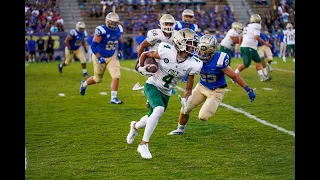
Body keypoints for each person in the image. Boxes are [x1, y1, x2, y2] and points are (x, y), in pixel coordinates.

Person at [126, 28, 203, 159]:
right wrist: (141, 67)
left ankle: (134, 126)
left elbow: (188, 88)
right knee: (159, 109)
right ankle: (143, 144)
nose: (194, 47)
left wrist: (186, 98)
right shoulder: (166, 50)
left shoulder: (194, 63)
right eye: (191, 43)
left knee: (153, 115)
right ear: (180, 43)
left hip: (166, 92)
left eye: (194, 44)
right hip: (152, 85)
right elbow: (145, 55)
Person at [168, 34, 256, 135]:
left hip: (216, 91)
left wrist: (248, 89)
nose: (202, 53)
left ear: (212, 50)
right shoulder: (195, 57)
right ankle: (180, 129)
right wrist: (187, 85)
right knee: (185, 108)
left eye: (205, 51)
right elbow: (190, 75)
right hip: (201, 87)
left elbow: (234, 76)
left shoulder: (219, 60)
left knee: (203, 117)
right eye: (200, 50)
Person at [79, 12, 124, 104]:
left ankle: (113, 98)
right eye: (112, 22)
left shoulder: (119, 29)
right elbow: (93, 46)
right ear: (107, 21)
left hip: (112, 56)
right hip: (99, 56)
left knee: (116, 76)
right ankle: (84, 84)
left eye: (115, 23)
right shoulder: (101, 30)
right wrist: (99, 57)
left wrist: (119, 51)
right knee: (97, 79)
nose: (114, 25)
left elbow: (121, 41)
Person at [134, 13, 177, 108]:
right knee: (153, 69)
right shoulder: (155, 34)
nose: (169, 26)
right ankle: (149, 94)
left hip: (167, 61)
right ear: (161, 24)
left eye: (170, 24)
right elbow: (142, 46)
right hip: (153, 57)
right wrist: (139, 61)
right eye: (166, 24)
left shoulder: (176, 35)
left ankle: (150, 93)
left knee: (165, 81)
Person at [233, 14, 272, 82]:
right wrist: (266, 43)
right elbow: (256, 37)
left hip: (249, 47)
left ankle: (262, 77)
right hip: (248, 47)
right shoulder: (257, 26)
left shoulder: (247, 26)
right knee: (246, 64)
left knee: (258, 60)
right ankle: (233, 76)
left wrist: (240, 44)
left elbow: (241, 37)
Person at [174, 9, 200, 83]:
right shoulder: (178, 24)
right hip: (179, 45)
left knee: (191, 61)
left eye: (190, 17)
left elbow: (196, 37)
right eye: (186, 16)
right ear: (183, 16)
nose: (188, 18)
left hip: (189, 46)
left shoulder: (195, 27)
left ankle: (185, 77)